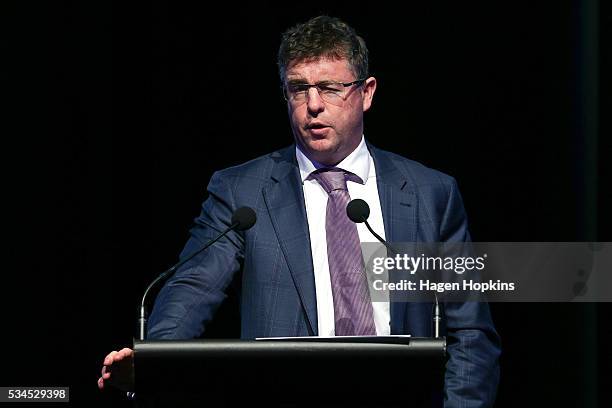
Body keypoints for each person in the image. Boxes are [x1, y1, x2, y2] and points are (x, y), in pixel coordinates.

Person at [99, 15, 501, 406]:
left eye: (328, 88)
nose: (312, 106)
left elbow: (469, 334)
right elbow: (193, 288)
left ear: (366, 92)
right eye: (297, 89)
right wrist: (153, 360)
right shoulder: (243, 191)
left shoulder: (431, 194)